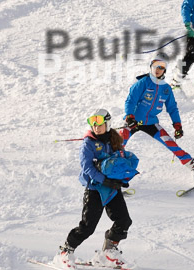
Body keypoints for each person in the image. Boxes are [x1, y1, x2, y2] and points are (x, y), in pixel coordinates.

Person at [53, 109, 139, 270]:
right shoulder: (88, 143)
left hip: (111, 188)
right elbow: (87, 168)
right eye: (93, 125)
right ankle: (65, 252)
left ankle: (108, 253)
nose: (96, 128)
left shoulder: (114, 139)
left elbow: (118, 161)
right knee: (87, 227)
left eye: (99, 125)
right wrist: (104, 180)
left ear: (107, 124)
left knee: (124, 221)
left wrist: (122, 179)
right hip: (95, 189)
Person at [124, 54, 194, 182]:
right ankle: (111, 174)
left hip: (151, 123)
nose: (158, 69)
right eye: (155, 65)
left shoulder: (166, 88)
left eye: (162, 66)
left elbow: (172, 108)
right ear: (151, 67)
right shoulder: (142, 83)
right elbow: (130, 101)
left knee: (171, 143)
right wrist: (129, 117)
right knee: (118, 145)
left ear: (165, 70)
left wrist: (177, 125)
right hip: (134, 121)